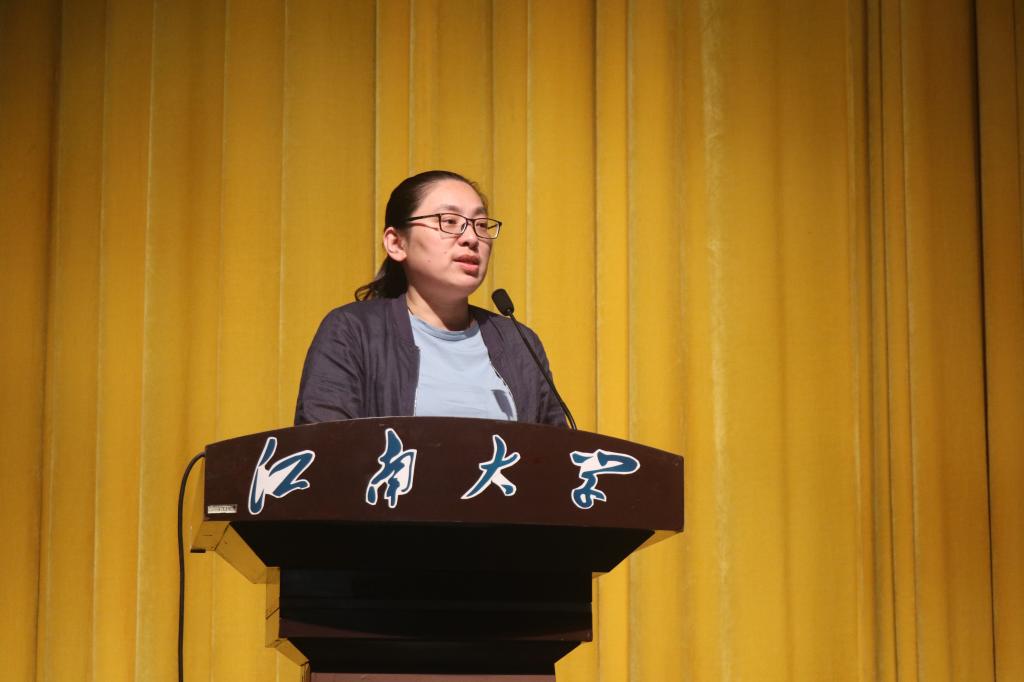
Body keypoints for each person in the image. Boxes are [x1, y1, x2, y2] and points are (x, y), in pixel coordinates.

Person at [294, 170, 566, 427]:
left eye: (481, 225)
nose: (471, 238)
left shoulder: (518, 342)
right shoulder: (354, 331)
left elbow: (556, 451)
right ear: (396, 243)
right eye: (449, 222)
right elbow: (326, 445)